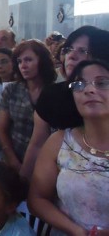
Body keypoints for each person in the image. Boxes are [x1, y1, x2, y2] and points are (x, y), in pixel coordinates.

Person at [28, 60, 109, 235]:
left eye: (102, 83)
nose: (89, 90)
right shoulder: (59, 142)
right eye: (79, 84)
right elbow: (37, 199)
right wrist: (76, 231)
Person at [21, 26, 109, 179]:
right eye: (69, 49)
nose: (71, 55)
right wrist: (22, 184)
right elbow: (37, 144)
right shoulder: (52, 95)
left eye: (83, 51)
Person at [0, 40, 56, 173]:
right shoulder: (12, 90)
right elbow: (2, 129)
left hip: (47, 164)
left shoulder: (54, 92)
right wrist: (14, 162)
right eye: (19, 61)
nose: (23, 65)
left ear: (42, 61)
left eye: (28, 60)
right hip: (14, 158)